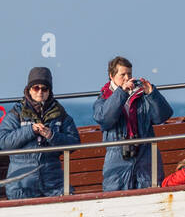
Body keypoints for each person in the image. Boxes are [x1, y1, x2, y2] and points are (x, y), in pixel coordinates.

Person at [94, 56, 174, 191]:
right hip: (117, 157)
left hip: (145, 154)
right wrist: (121, 93)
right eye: (122, 74)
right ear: (111, 76)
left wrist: (152, 94)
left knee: (151, 194)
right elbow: (105, 119)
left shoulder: (142, 96)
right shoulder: (103, 98)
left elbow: (162, 116)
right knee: (115, 197)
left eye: (129, 74)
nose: (127, 78)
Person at [0, 67, 80, 199]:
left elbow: (74, 142)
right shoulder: (16, 113)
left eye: (44, 88)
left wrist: (52, 136)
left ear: (49, 91)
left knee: (67, 200)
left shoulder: (60, 114)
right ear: (29, 90)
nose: (40, 92)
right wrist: (30, 130)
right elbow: (3, 141)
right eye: (36, 88)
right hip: (21, 183)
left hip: (53, 183)